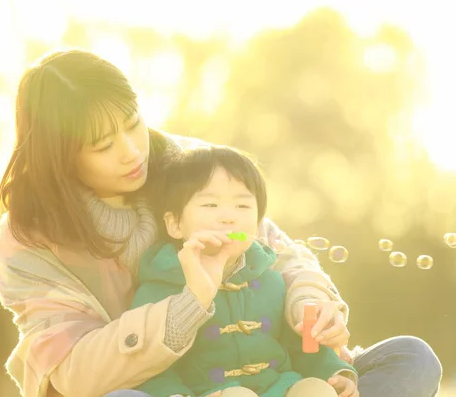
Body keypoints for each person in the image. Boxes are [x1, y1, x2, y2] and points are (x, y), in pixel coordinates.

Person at [0, 48, 442, 397]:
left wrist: (312, 305)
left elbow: (278, 253)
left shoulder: (187, 168)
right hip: (162, 388)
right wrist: (189, 304)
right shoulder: (29, 239)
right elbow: (74, 371)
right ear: (59, 154)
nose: (131, 151)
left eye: (133, 124)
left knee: (411, 358)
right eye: (104, 145)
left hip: (267, 377)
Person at [130, 144, 358, 397]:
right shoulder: (159, 288)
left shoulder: (270, 279)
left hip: (277, 388)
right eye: (210, 205)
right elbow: (151, 365)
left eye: (243, 207)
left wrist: (334, 373)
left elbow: (301, 346)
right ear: (174, 224)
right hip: (206, 392)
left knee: (317, 389)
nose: (229, 217)